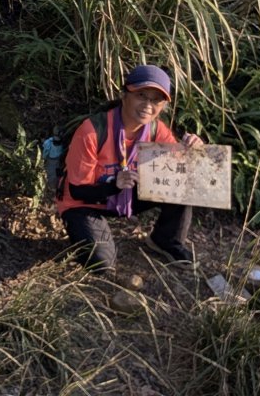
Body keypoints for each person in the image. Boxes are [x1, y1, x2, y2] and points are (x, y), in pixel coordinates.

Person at [54, 64, 204, 272]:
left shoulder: (156, 130)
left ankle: (165, 240)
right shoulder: (92, 131)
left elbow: (179, 174)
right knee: (102, 264)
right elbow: (78, 190)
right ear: (125, 94)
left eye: (156, 100)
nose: (148, 105)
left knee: (181, 185)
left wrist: (193, 152)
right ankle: (86, 234)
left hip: (123, 193)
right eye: (141, 95)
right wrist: (114, 186)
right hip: (83, 202)